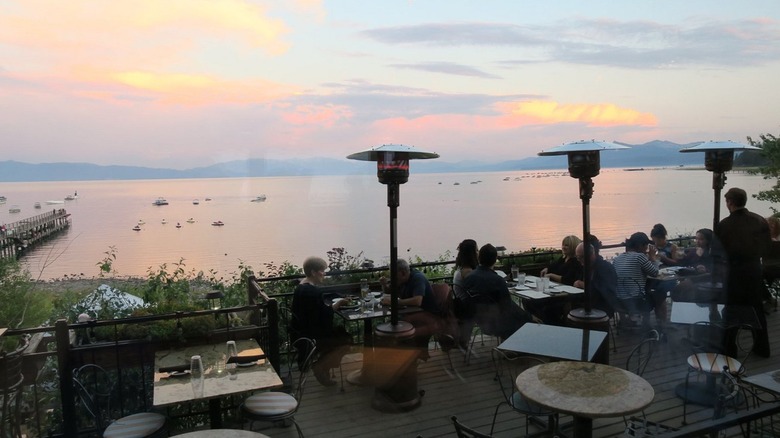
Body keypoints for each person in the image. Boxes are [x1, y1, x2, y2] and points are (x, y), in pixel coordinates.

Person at [715, 187, 771, 357]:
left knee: (731, 311)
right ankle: (762, 349)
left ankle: (729, 350)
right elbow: (766, 248)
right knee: (757, 311)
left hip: (733, 273)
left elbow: (718, 253)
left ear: (730, 202)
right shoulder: (760, 221)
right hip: (753, 271)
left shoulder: (724, 225)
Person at [291, 256, 352, 386]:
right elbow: (325, 317)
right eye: (322, 271)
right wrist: (340, 303)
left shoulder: (301, 286)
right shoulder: (312, 292)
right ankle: (321, 367)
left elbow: (317, 312)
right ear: (313, 272)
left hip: (300, 332)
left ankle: (323, 367)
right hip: (311, 336)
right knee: (345, 340)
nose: (324, 273)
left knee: (340, 333)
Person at [462, 244, 534, 340]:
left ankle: (507, 348)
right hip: (498, 325)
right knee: (527, 321)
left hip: (480, 322)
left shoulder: (469, 278)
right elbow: (508, 307)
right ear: (495, 260)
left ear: (479, 258)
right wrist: (530, 317)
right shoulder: (497, 280)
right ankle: (516, 349)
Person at [379, 259, 441, 358]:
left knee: (399, 324)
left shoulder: (417, 278)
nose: (392, 278)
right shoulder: (402, 279)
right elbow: (389, 291)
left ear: (403, 273)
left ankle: (409, 358)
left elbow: (417, 301)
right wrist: (384, 284)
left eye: (394, 275)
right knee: (391, 324)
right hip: (413, 313)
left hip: (429, 314)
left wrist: (394, 302)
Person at [612, 232, 659, 327]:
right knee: (658, 295)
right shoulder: (639, 257)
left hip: (618, 301)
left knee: (639, 289)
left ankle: (626, 321)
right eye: (646, 246)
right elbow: (654, 273)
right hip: (637, 302)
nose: (647, 249)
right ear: (640, 246)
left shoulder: (617, 259)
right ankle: (646, 324)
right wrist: (653, 258)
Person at [573, 240, 619, 317]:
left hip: (603, 305)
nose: (580, 261)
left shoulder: (605, 268)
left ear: (592, 255)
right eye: (577, 258)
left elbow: (605, 291)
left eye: (581, 257)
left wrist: (584, 285)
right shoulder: (585, 267)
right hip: (588, 302)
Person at [452, 239, 478, 349]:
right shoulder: (467, 272)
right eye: (476, 250)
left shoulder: (460, 269)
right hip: (466, 309)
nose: (478, 252)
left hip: (459, 305)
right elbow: (477, 290)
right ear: (472, 253)